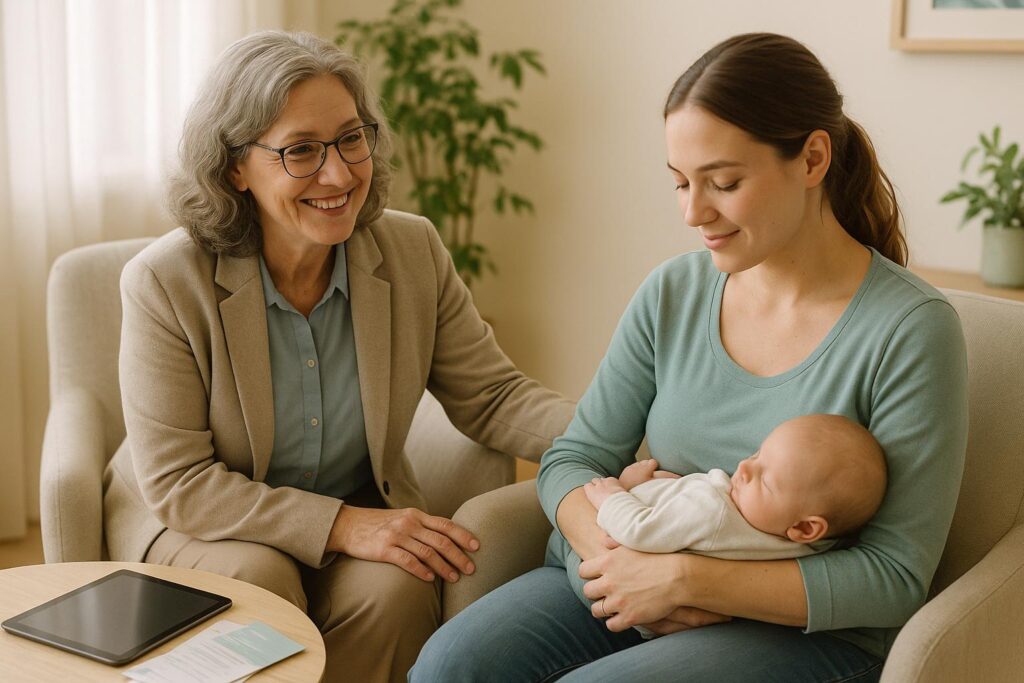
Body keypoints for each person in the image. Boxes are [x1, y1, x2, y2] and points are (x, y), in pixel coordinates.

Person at [411, 32, 968, 682]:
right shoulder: (673, 291)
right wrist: (621, 559)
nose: (693, 212)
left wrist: (684, 579)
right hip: (621, 574)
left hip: (798, 633)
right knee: (448, 666)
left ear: (813, 158)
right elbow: (573, 458)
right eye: (680, 182)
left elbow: (893, 575)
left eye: (724, 182)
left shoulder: (909, 330)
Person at [101, 31, 575, 683]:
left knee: (403, 582)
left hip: (349, 500)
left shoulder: (412, 250)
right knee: (259, 581)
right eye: (301, 150)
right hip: (198, 520)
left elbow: (494, 396)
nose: (340, 174)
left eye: (352, 138)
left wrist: (622, 435)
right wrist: (344, 526)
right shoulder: (164, 282)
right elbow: (182, 483)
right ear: (235, 167)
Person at [582, 414, 887, 638]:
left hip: (631, 594)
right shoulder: (810, 545)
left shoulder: (714, 510)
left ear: (806, 528)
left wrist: (616, 493)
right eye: (757, 454)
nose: (744, 467)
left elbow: (638, 529)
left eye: (765, 480)